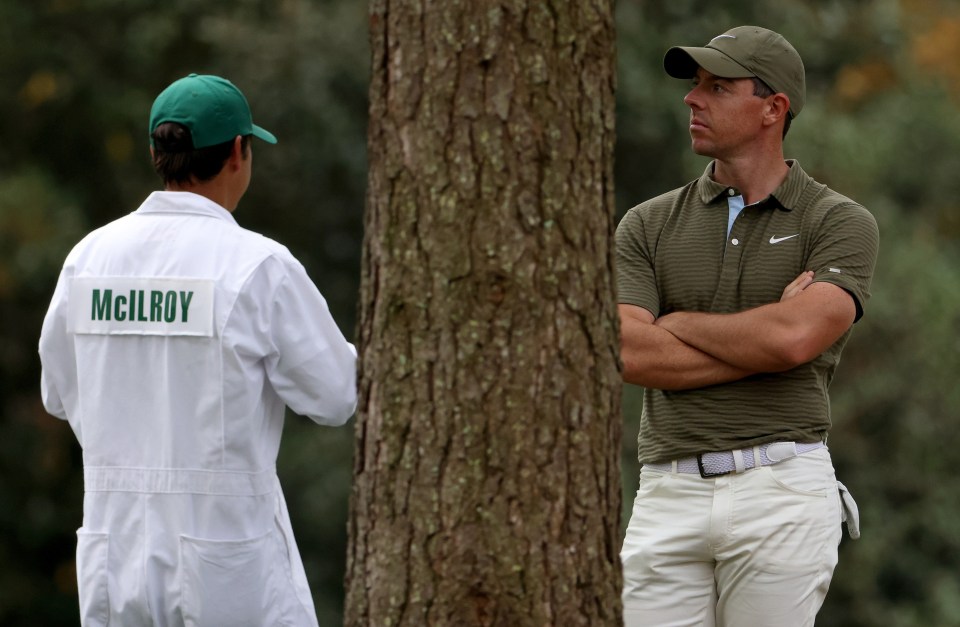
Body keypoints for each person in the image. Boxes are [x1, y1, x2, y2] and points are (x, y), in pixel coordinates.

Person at [38, 74, 357, 627]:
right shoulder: (258, 266)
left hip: (114, 558)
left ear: (157, 152)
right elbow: (337, 397)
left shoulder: (88, 259)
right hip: (229, 565)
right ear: (239, 151)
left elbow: (57, 394)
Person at [616, 26, 879, 626]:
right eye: (694, 85)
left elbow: (794, 338)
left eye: (717, 86)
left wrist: (675, 322)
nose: (692, 98)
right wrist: (766, 343)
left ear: (773, 108)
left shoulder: (838, 222)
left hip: (782, 492)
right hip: (667, 494)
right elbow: (627, 351)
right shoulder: (645, 224)